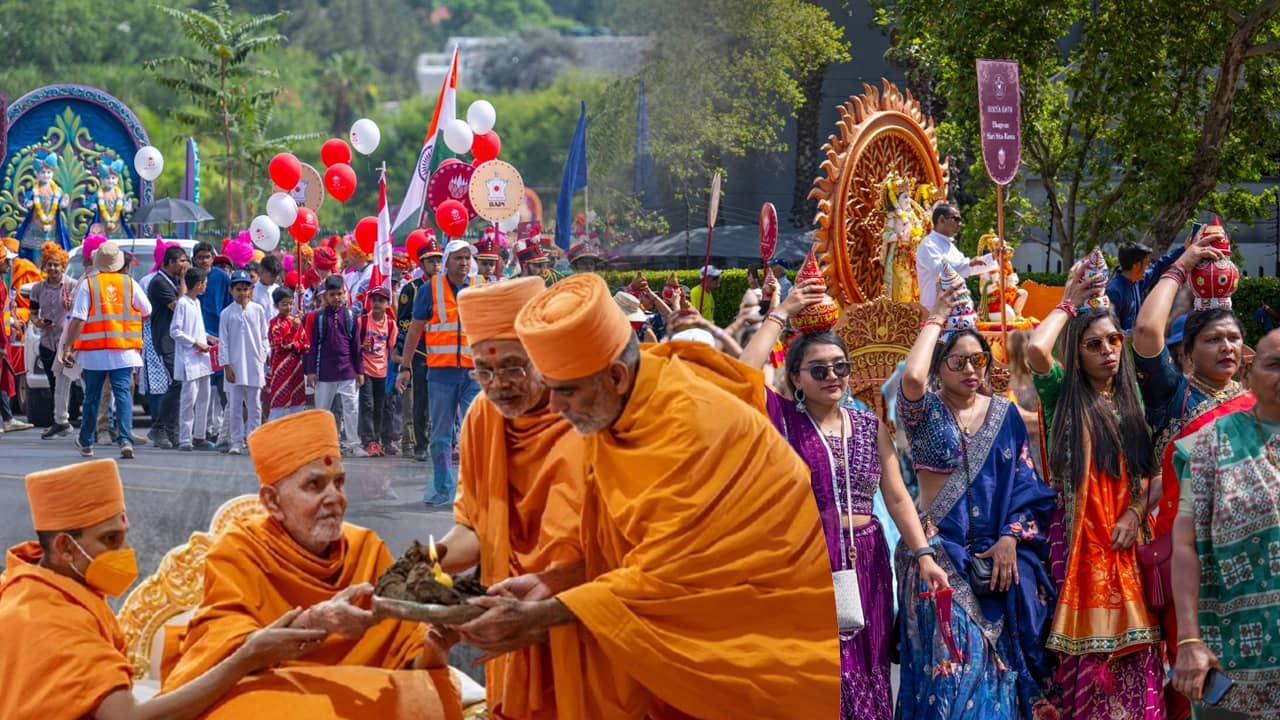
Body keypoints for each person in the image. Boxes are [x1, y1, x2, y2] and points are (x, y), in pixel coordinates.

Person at [460, 273, 840, 719]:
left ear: (616, 376)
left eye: (564, 392)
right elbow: (622, 546)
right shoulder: (617, 409)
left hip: (744, 643)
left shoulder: (690, 425)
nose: (555, 408)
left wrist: (545, 614)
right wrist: (557, 580)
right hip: (664, 642)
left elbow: (671, 575)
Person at [162, 410, 465, 718]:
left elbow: (408, 659)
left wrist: (436, 645)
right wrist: (314, 621)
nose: (335, 498)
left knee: (435, 691)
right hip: (272, 692)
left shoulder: (366, 549)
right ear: (272, 502)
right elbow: (228, 652)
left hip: (358, 693)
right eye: (315, 486)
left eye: (339, 483)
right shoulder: (238, 551)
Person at [739, 276, 949, 720]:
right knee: (824, 670)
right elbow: (741, 376)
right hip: (809, 560)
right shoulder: (783, 422)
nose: (832, 376)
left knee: (870, 667)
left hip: (869, 557)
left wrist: (924, 555)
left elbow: (896, 497)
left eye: (840, 367)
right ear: (796, 378)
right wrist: (781, 313)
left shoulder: (869, 423)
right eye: (818, 369)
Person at [0, 458, 327, 720]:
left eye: (123, 535)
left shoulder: (31, 585)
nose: (126, 551)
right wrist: (247, 657)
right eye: (110, 540)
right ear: (64, 547)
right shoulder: (49, 617)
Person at [895, 283, 1058, 720]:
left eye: (979, 360)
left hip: (995, 564)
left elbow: (1028, 484)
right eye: (959, 361)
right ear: (938, 366)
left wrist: (1010, 538)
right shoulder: (923, 411)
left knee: (996, 673)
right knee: (950, 673)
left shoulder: (1004, 415)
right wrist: (936, 316)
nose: (971, 369)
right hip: (937, 557)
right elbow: (911, 378)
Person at [437, 276, 584, 719]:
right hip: (511, 621)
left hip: (585, 618)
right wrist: (422, 564)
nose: (498, 384)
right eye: (483, 370)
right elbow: (473, 530)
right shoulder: (483, 416)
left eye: (514, 366)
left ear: (545, 355)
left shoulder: (587, 414)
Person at [1026, 269, 1166, 718]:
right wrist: (1068, 302)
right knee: (1084, 664)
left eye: (1113, 341)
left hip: (1128, 542)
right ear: (1077, 352)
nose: (1107, 351)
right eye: (1093, 344)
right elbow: (1035, 350)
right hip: (1077, 545)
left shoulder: (1132, 400)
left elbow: (1149, 473)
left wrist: (1135, 512)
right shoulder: (1060, 395)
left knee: (1138, 656)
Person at [1132, 231, 1242, 702]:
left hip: (1249, 561)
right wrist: (1183, 263)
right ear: (1185, 352)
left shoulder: (1255, 402)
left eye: (1235, 338)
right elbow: (1145, 334)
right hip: (1188, 561)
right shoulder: (1174, 396)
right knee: (1196, 688)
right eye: (1214, 339)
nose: (1227, 348)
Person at [1171, 329, 1280, 718]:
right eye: (1274, 364)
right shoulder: (1210, 444)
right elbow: (1184, 545)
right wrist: (1188, 639)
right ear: (1248, 376)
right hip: (1236, 658)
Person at [397, 240, 480, 505]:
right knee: (441, 436)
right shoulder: (429, 290)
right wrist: (405, 367)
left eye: (467, 258)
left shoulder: (480, 287)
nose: (464, 263)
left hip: (473, 376)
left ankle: (473, 490)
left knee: (476, 433)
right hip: (441, 375)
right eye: (458, 258)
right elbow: (415, 330)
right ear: (447, 261)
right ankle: (443, 489)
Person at [61, 241, 151, 460]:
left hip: (94, 352)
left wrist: (67, 347)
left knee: (92, 396)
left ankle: (86, 442)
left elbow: (79, 319)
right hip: (123, 350)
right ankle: (126, 440)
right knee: (122, 396)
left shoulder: (89, 285)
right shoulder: (130, 283)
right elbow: (147, 310)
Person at [305, 274, 366, 457]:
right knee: (322, 410)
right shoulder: (319, 318)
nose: (336, 298)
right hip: (324, 372)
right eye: (332, 294)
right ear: (325, 296)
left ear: (344, 294)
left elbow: (356, 345)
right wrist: (310, 371)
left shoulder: (350, 316)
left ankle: (353, 444)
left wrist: (359, 370)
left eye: (339, 294)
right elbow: (313, 345)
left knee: (351, 409)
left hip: (347, 371)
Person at [396, 233, 443, 461]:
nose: (435, 265)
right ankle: (420, 444)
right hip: (421, 349)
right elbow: (403, 321)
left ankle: (441, 441)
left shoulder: (447, 286)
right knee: (421, 399)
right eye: (431, 261)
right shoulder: (411, 289)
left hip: (443, 349)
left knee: (443, 399)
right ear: (422, 263)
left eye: (438, 260)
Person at [30, 242, 76, 439]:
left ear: (63, 266)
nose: (53, 268)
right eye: (49, 264)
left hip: (68, 343)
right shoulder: (37, 288)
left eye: (56, 265)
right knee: (54, 383)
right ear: (44, 266)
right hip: (47, 342)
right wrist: (39, 323)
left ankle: (65, 420)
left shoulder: (72, 286)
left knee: (71, 381)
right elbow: (32, 314)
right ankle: (59, 420)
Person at [220, 269, 269, 456]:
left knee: (255, 405)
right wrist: (227, 365)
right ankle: (236, 441)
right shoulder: (226, 313)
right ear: (231, 290)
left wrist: (263, 356)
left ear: (250, 290)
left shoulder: (258, 311)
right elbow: (223, 341)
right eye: (238, 289)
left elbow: (264, 337)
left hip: (255, 364)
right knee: (235, 406)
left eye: (245, 288)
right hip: (235, 366)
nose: (242, 293)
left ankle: (254, 439)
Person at [146, 245, 189, 449]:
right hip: (165, 339)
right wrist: (183, 281)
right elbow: (179, 306)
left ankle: (172, 431)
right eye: (181, 261)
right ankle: (159, 427)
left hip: (177, 340)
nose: (184, 265)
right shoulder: (158, 282)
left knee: (180, 383)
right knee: (177, 382)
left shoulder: (171, 280)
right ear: (170, 262)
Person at [915, 204, 998, 310]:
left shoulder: (950, 246)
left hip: (957, 309)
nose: (960, 224)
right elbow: (939, 270)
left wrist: (994, 257)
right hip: (935, 311)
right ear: (942, 220)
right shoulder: (928, 244)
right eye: (956, 219)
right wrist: (968, 263)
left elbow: (967, 268)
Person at [172, 267, 215, 452]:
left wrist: (208, 338)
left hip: (202, 358)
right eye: (204, 283)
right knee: (189, 398)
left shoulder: (196, 303)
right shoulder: (182, 304)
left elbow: (196, 328)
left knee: (204, 397)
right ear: (198, 284)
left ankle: (199, 436)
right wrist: (196, 343)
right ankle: (185, 438)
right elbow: (175, 331)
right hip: (189, 358)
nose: (206, 286)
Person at [1106, 240, 1186, 333]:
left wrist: (1184, 248)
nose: (1148, 267)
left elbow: (1159, 265)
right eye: (1146, 264)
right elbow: (1110, 327)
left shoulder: (1136, 281)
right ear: (1136, 266)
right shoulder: (1113, 291)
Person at [358, 286, 397, 458]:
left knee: (381, 407)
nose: (377, 304)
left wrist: (395, 373)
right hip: (366, 369)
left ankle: (381, 439)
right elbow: (353, 347)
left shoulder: (391, 324)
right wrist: (361, 347)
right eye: (374, 300)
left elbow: (393, 349)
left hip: (383, 371)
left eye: (381, 300)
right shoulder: (362, 321)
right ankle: (369, 441)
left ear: (387, 304)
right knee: (367, 406)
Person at [266, 288, 307, 420]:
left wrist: (294, 345)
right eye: (284, 304)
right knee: (279, 404)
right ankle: (275, 436)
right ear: (276, 306)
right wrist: (294, 333)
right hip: (280, 370)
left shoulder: (295, 321)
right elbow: (279, 345)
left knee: (298, 405)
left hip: (296, 369)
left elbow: (306, 344)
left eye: (290, 303)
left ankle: (295, 436)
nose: (288, 307)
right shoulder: (274, 324)